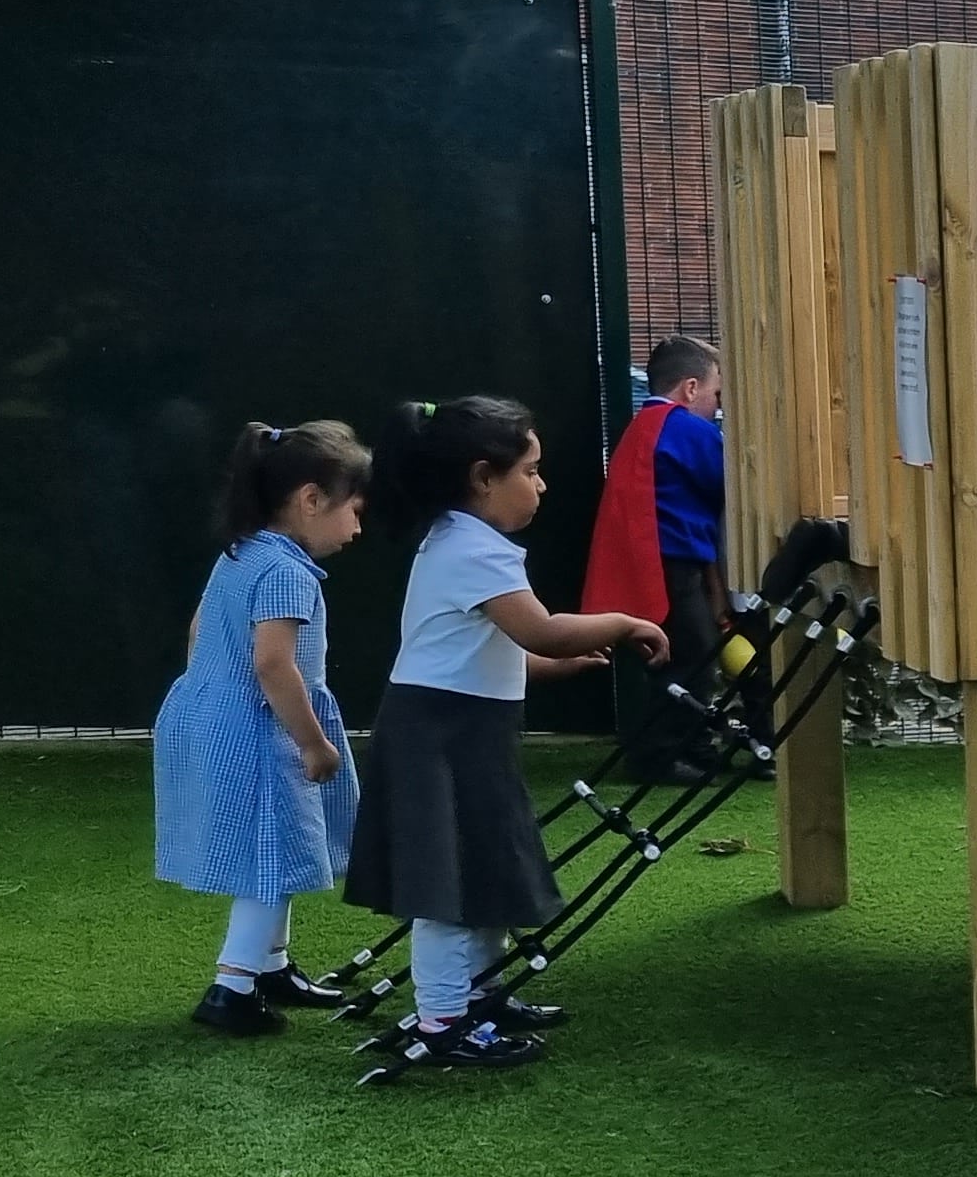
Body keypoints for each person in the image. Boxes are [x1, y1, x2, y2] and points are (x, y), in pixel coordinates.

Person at [343, 398, 665, 1071]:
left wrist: (557, 664)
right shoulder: (474, 549)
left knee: (483, 863)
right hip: (439, 736)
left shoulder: (458, 539)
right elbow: (538, 626)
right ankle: (442, 1021)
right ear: (484, 476)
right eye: (532, 470)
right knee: (444, 883)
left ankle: (480, 998)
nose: (541, 485)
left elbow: (495, 647)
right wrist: (622, 622)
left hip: (463, 731)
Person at [151, 419, 373, 1036]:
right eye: (353, 510)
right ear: (310, 500)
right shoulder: (287, 573)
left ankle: (271, 967)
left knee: (274, 849)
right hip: (258, 731)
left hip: (212, 715)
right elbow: (273, 663)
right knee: (268, 859)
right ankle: (233, 987)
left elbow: (199, 632)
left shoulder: (241, 553)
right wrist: (313, 741)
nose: (357, 527)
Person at [587, 335, 729, 784]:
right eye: (715, 394)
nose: (716, 406)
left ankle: (691, 744)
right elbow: (727, 481)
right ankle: (661, 755)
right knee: (694, 654)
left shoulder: (645, 424)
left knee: (685, 654)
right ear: (689, 389)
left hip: (656, 559)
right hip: (673, 562)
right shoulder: (687, 428)